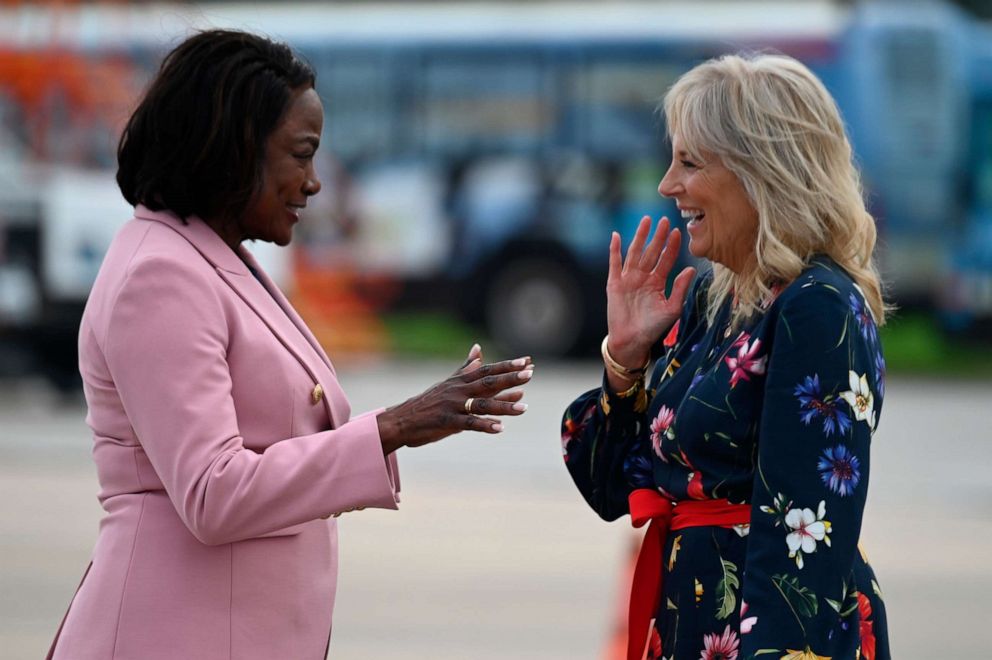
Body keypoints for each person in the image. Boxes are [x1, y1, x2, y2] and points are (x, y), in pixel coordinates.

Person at [48, 30, 533, 660]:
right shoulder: (160, 276)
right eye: (301, 156)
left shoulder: (211, 256)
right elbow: (213, 493)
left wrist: (401, 422)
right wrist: (391, 427)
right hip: (174, 634)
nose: (314, 183)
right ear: (233, 150)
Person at [561, 53, 890, 660]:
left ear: (762, 170)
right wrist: (625, 361)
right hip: (692, 623)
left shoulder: (817, 307)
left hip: (764, 639)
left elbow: (805, 543)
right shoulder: (716, 299)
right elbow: (611, 486)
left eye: (689, 162)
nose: (667, 185)